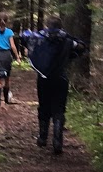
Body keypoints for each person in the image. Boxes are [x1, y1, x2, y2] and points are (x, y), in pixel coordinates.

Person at [27, 17, 85, 155]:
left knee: (43, 106)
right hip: (61, 78)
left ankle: (42, 137)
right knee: (59, 109)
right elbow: (81, 47)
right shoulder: (67, 41)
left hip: (43, 78)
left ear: (48, 26)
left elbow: (27, 40)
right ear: (60, 27)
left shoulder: (40, 39)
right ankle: (57, 141)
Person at [0, 13, 18, 106]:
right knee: (7, 78)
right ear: (7, 21)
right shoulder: (9, 32)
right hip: (6, 55)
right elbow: (12, 46)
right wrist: (17, 57)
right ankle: (6, 100)